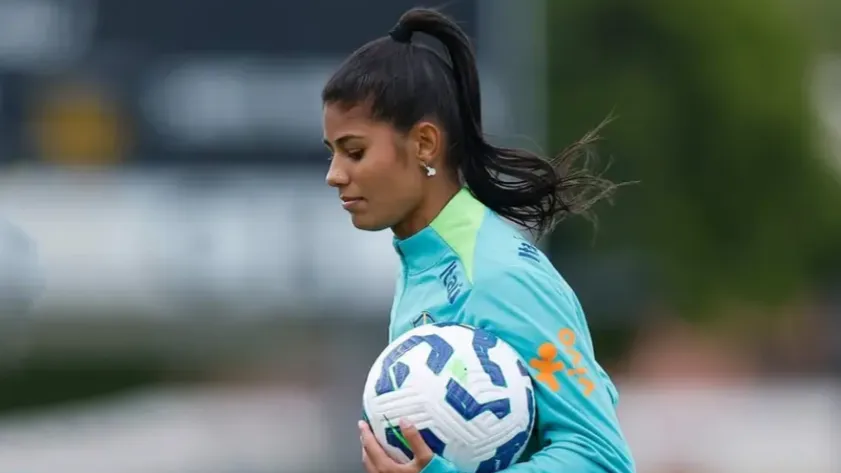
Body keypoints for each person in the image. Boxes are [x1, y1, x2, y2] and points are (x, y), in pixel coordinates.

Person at [322, 7, 635, 473]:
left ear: (425, 144)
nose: (334, 175)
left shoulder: (496, 275)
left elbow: (602, 459)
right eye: (332, 153)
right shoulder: (424, 263)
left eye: (355, 151)